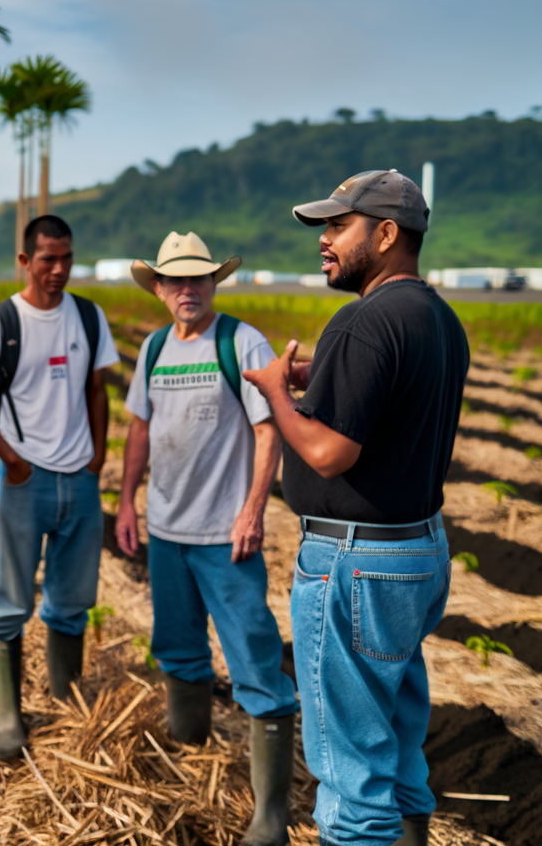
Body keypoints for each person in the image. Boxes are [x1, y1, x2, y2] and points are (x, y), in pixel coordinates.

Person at [241, 170, 469, 846]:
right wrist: (326, 378)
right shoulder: (437, 318)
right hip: (416, 553)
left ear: (388, 233)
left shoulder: (364, 319)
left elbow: (327, 453)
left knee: (349, 774)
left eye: (338, 227)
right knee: (396, 742)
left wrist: (277, 392)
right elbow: (386, 404)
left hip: (354, 563)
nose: (325, 242)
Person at [115, 231, 298, 846]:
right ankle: (189, 756)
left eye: (198, 278)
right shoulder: (154, 348)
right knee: (177, 648)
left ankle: (271, 813)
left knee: (254, 655)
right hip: (167, 533)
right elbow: (140, 429)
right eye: (176, 280)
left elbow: (268, 430)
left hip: (227, 537)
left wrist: (252, 511)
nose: (187, 289)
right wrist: (126, 502)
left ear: (214, 283)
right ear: (160, 289)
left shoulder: (242, 342)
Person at [0, 215, 120, 758]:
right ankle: (8, 720)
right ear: (25, 261)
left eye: (67, 258)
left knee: (72, 601)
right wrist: (12, 460)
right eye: (47, 259)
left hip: (80, 481)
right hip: (24, 481)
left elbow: (97, 390)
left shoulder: (89, 319)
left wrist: (98, 456)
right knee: (8, 601)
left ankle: (64, 702)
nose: (58, 269)